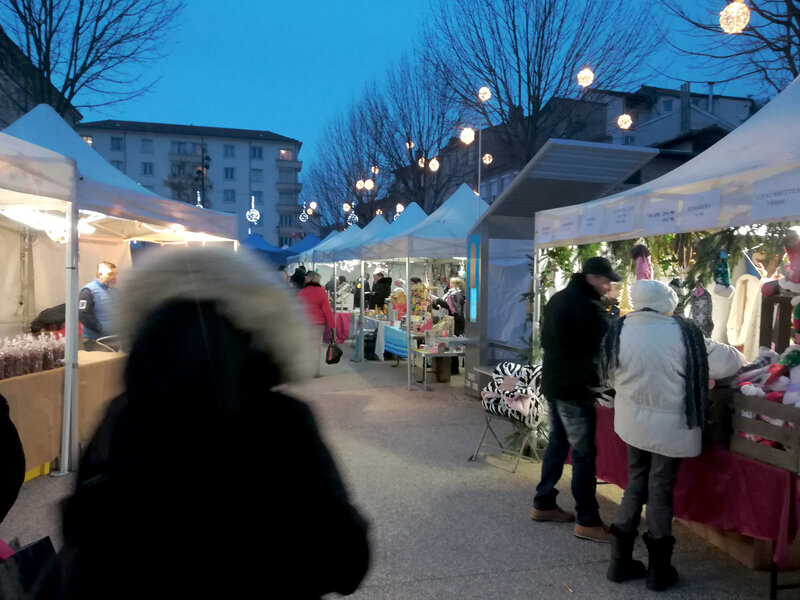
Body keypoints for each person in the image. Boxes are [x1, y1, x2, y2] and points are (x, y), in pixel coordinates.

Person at [34, 247, 370, 599]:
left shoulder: (123, 416)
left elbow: (84, 537)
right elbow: (346, 559)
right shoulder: (281, 420)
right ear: (258, 325)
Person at [603, 279, 743, 591]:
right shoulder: (685, 331)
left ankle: (619, 562)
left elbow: (610, 373)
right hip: (670, 427)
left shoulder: (619, 328)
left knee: (635, 483)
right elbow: (728, 363)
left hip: (631, 422)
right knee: (660, 489)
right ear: (669, 301)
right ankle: (658, 570)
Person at [531, 256, 621, 543]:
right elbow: (606, 344)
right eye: (605, 279)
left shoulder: (559, 299)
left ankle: (543, 503)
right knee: (583, 454)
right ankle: (587, 519)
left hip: (556, 383)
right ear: (592, 277)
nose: (608, 285)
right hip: (575, 388)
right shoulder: (587, 307)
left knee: (559, 443)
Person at [298, 271, 336, 377]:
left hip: (304, 323)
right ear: (317, 280)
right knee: (315, 346)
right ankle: (315, 370)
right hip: (318, 324)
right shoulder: (321, 292)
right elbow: (327, 310)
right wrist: (332, 325)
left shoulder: (301, 292)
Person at [79, 261, 117, 351]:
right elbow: (83, 315)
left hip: (113, 339)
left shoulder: (112, 291)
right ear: (100, 274)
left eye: (116, 274)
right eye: (111, 274)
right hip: (96, 341)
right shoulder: (88, 291)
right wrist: (101, 329)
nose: (114, 278)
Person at [432, 277, 466, 374]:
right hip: (450, 320)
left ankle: (454, 368)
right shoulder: (450, 293)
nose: (449, 284)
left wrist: (437, 299)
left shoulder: (458, 295)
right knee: (450, 343)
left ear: (457, 284)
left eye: (452, 283)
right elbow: (442, 306)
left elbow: (452, 308)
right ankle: (452, 367)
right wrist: (434, 302)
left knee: (453, 344)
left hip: (456, 322)